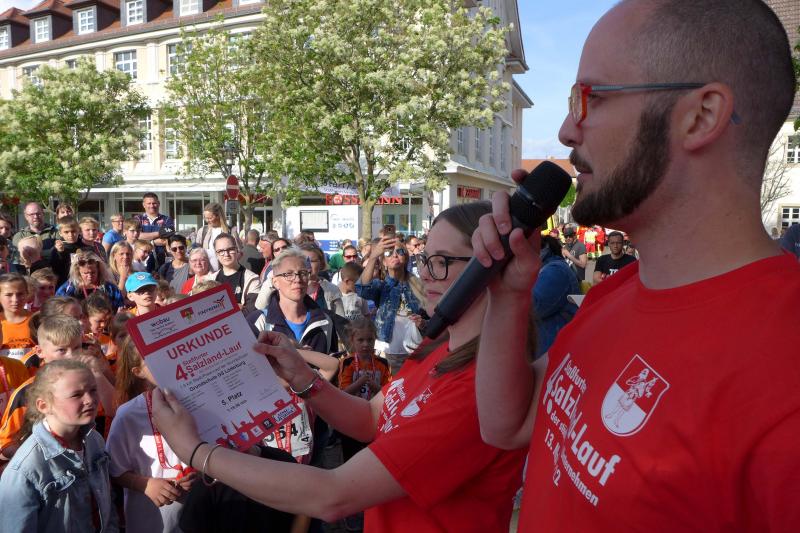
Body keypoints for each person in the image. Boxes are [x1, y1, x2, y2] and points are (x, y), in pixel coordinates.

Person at [472, 1, 800, 531]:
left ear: (701, 116)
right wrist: (508, 296)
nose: (566, 130)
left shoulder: (784, 382)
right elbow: (506, 425)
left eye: (591, 98)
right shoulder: (619, 290)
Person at [150, 201, 529, 533]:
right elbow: (372, 417)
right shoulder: (438, 346)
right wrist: (302, 377)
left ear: (491, 269)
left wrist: (196, 451)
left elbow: (334, 495)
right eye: (425, 259)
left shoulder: (479, 389)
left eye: (442, 261)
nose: (426, 273)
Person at [0, 359, 118, 532]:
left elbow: (107, 502)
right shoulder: (25, 469)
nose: (90, 400)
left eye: (93, 390)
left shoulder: (94, 440)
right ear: (44, 405)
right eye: (76, 395)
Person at [106, 338, 195, 533]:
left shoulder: (198, 401)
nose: (165, 363)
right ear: (138, 372)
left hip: (199, 511)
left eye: (168, 353)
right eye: (154, 360)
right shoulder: (128, 415)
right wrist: (145, 485)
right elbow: (114, 469)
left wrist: (200, 472)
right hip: (150, 519)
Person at [358, 235, 426, 375]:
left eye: (399, 252)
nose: (395, 255)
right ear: (384, 262)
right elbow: (362, 289)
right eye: (389, 253)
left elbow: (432, 316)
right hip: (387, 354)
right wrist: (373, 257)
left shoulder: (418, 285)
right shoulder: (382, 286)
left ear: (406, 257)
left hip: (415, 353)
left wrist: (424, 324)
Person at [250, 248, 338, 355]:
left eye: (303, 273)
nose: (298, 280)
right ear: (275, 282)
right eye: (289, 274)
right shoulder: (258, 322)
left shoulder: (325, 321)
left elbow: (334, 361)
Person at [338, 317, 391, 461]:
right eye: (360, 340)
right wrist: (360, 383)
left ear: (375, 339)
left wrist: (376, 387)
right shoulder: (347, 362)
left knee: (373, 452)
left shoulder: (383, 363)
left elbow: (389, 393)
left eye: (370, 340)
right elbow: (342, 393)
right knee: (351, 454)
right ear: (352, 340)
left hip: (374, 415)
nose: (366, 344)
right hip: (351, 415)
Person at [533, 236, 580, 357]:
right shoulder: (546, 268)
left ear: (544, 249)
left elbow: (533, 307)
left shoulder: (555, 270)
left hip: (552, 349)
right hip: (548, 346)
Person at [56, 250, 125, 311]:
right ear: (78, 272)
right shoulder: (68, 288)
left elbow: (119, 306)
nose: (89, 276)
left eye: (93, 272)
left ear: (99, 270)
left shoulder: (109, 288)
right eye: (85, 273)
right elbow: (58, 308)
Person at [211, 234, 261, 314]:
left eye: (230, 249)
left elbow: (251, 312)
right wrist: (236, 307)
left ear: (237, 250)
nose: (226, 254)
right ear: (216, 255)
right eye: (221, 251)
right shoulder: (211, 279)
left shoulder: (252, 279)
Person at [194, 202, 240, 271]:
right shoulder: (203, 231)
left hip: (226, 272)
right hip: (207, 272)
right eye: (206, 218)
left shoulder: (231, 231)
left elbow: (239, 252)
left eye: (210, 218)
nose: (207, 221)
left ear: (218, 216)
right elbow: (196, 251)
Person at [0, 273, 34, 360]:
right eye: (9, 295)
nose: (15, 300)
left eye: (20, 294)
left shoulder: (36, 320)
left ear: (27, 294)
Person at [136, 193, 175, 268]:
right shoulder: (138, 219)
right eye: (149, 203)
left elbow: (169, 235)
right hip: (141, 260)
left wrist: (146, 238)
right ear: (144, 205)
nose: (152, 206)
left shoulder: (167, 219)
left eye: (154, 203)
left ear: (158, 203)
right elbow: (137, 235)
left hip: (162, 260)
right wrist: (160, 234)